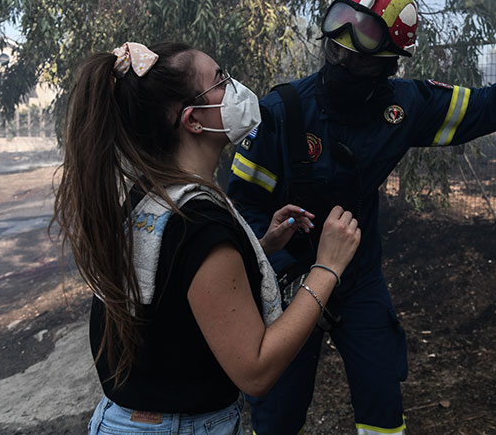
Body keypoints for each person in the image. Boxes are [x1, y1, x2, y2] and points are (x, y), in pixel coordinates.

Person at [226, 0, 496, 435]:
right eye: (339, 27)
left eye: (363, 36)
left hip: (358, 279)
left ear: (390, 58)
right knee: (276, 414)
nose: (343, 49)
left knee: (381, 406)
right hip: (290, 281)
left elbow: (489, 106)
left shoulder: (406, 106)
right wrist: (280, 256)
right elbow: (243, 209)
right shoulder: (282, 112)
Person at [52, 41, 361, 435]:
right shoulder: (200, 224)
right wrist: (327, 267)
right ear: (194, 120)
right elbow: (256, 370)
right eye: (220, 80)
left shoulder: (148, 197)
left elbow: (175, 283)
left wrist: (258, 248)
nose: (234, 87)